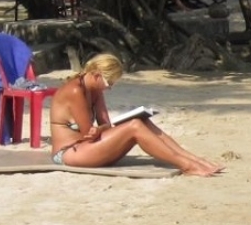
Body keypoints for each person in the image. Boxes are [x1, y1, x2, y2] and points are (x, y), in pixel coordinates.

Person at [48, 53, 223, 177]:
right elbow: (88, 133)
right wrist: (103, 129)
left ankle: (193, 159)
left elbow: (104, 125)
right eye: (109, 82)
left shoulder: (95, 90)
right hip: (68, 153)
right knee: (135, 126)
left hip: (86, 149)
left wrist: (103, 128)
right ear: (96, 75)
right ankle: (187, 166)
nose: (110, 88)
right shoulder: (75, 90)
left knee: (141, 120)